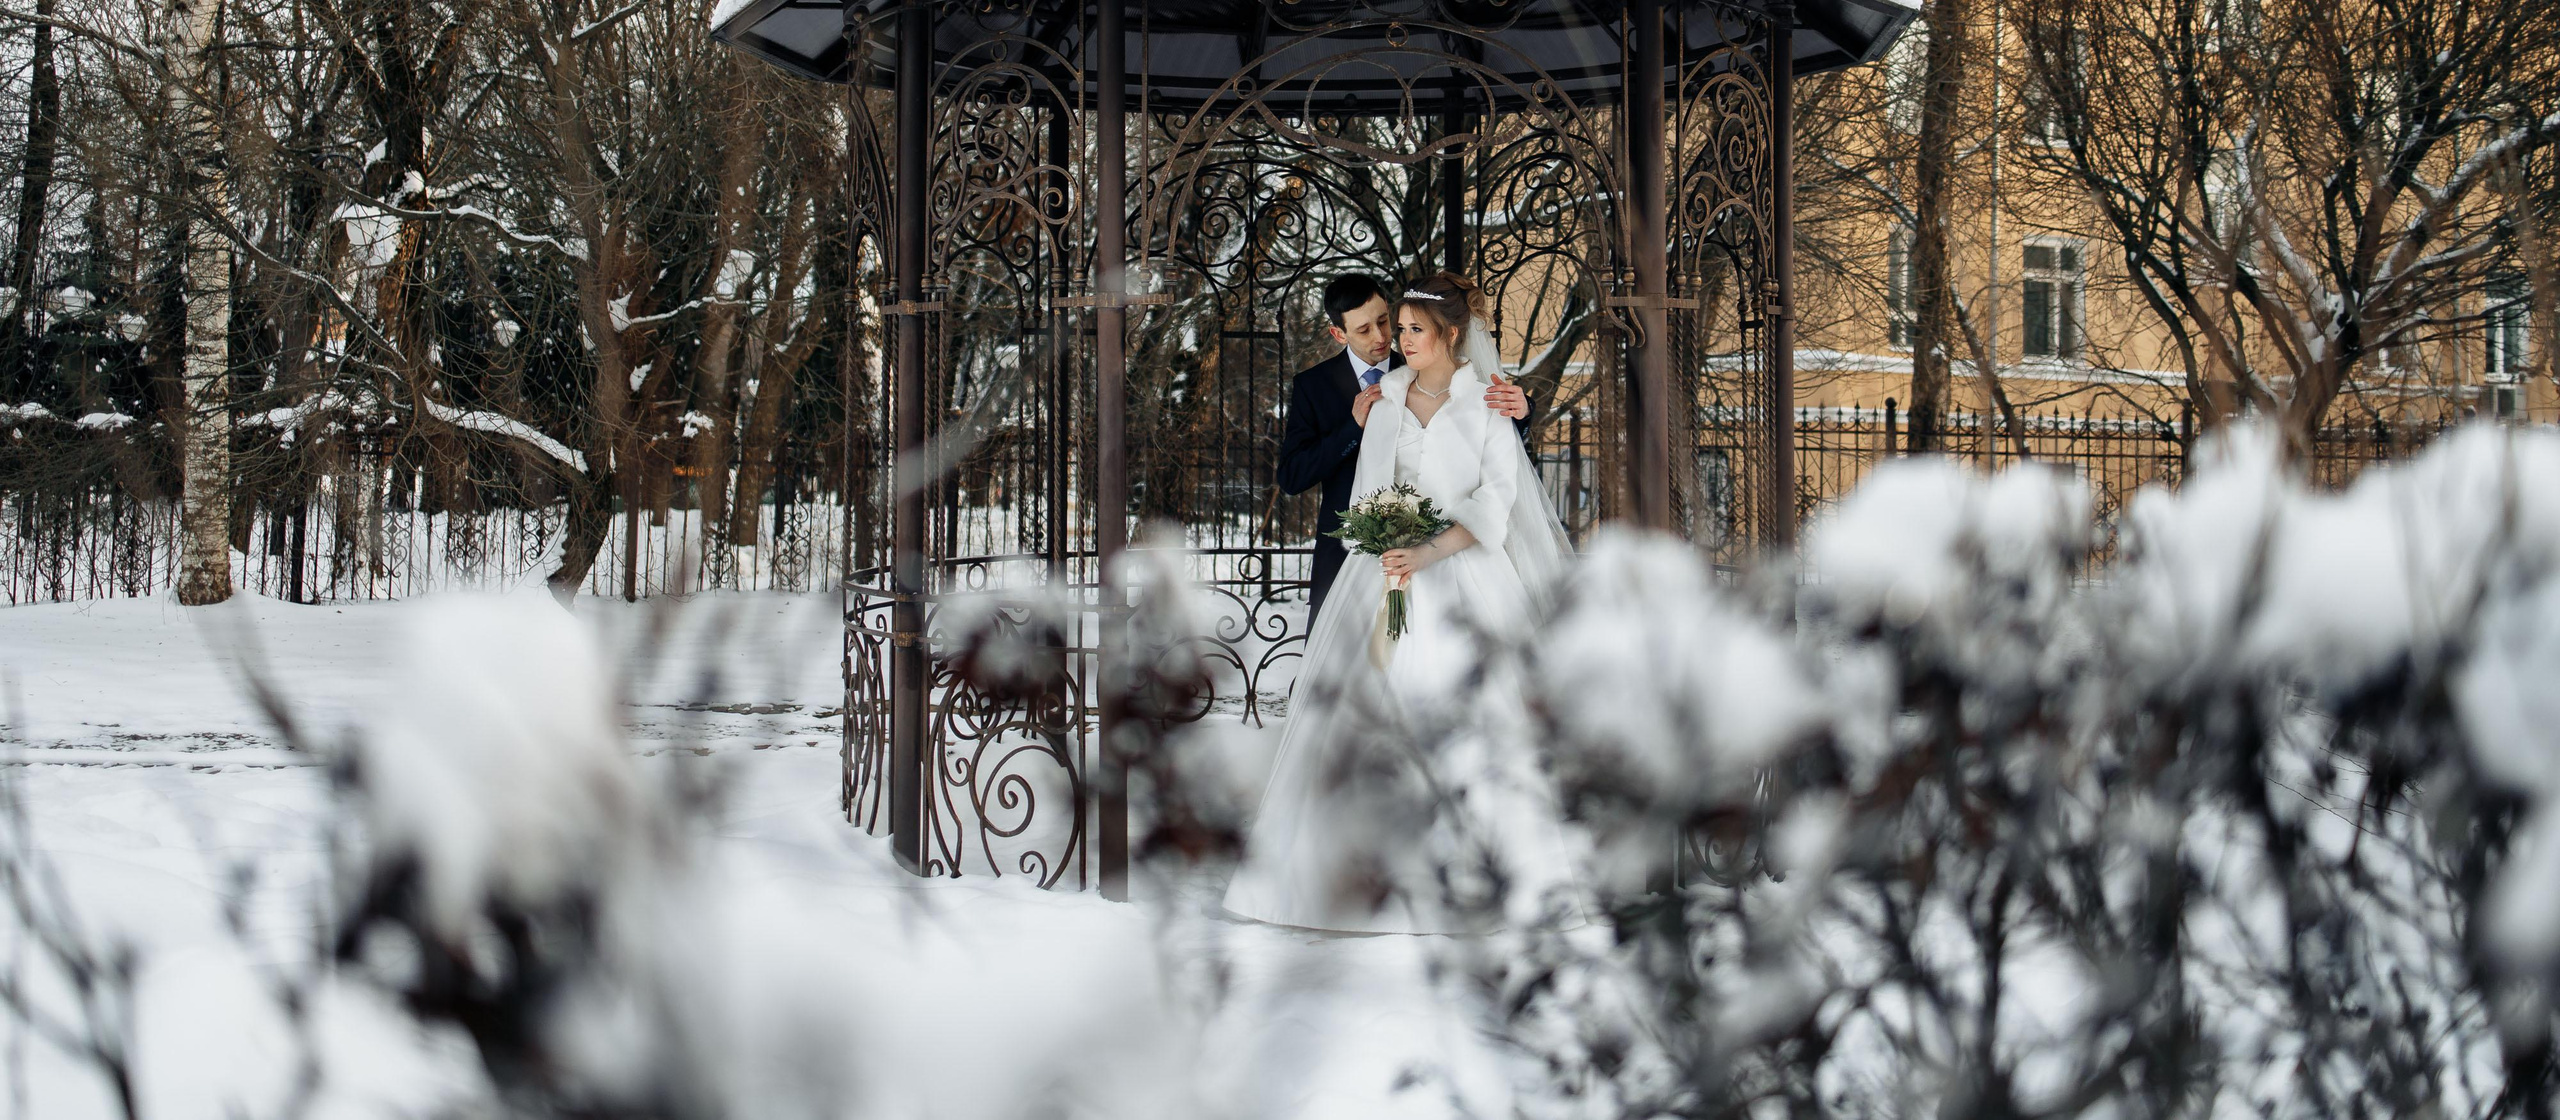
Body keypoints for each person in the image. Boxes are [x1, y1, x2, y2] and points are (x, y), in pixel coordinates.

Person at [1227, 271, 1579, 935]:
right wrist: (1385, 538)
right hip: (1377, 574)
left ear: (1444, 333)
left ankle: (1475, 879)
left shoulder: (1490, 402)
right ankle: (1364, 878)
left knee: (1472, 717)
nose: (1391, 340)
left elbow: (1495, 497)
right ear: (1341, 333)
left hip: (1465, 575)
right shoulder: (1379, 397)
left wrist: (1432, 550)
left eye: (1405, 327)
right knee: (1368, 717)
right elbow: (1358, 488)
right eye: (1378, 330)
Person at [1278, 274, 1530, 620]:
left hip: (1454, 554)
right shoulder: (1316, 386)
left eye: (1385, 322)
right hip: (1356, 555)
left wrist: (1522, 410)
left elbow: (1490, 446)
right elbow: (1292, 476)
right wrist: (1352, 427)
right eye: (1365, 330)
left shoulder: (1421, 366)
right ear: (1340, 334)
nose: (1384, 337)